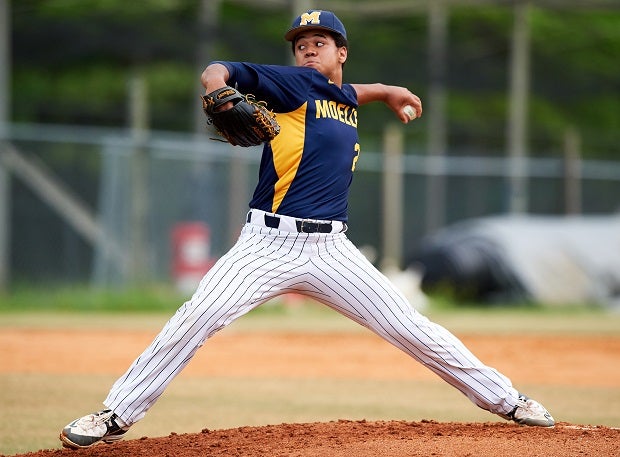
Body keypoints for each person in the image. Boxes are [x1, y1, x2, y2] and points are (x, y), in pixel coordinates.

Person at [60, 9, 554, 449]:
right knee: (195, 319)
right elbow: (220, 69)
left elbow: (350, 93)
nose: (308, 49)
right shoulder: (293, 85)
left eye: (319, 42)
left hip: (332, 249)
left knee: (412, 328)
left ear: (342, 52)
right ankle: (115, 414)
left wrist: (386, 92)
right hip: (268, 244)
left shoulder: (340, 96)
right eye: (301, 44)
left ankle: (507, 400)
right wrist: (215, 88)